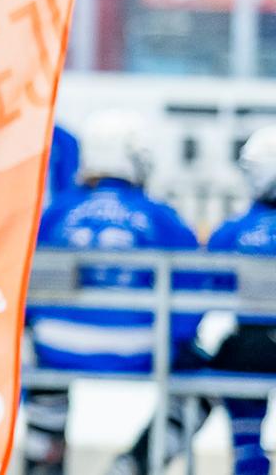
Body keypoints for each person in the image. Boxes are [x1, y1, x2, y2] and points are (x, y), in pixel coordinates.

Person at [21, 110, 213, 475]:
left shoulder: (57, 211)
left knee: (43, 369)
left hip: (57, 346)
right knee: (205, 380)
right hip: (140, 347)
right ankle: (135, 464)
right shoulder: (159, 216)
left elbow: (27, 283)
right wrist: (174, 340)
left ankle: (43, 459)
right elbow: (195, 290)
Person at [203, 125, 276, 475]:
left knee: (232, 351)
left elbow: (204, 289)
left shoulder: (234, 231)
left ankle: (249, 457)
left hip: (251, 349)